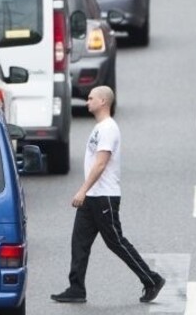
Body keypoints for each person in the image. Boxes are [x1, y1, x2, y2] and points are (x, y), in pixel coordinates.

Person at [51, 86, 164, 305]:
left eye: (91, 98)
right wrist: (87, 192)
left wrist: (82, 190)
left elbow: (101, 163)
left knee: (116, 242)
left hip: (104, 197)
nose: (87, 102)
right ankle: (76, 288)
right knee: (79, 242)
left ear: (103, 101)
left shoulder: (109, 128)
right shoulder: (100, 128)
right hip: (93, 196)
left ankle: (152, 279)